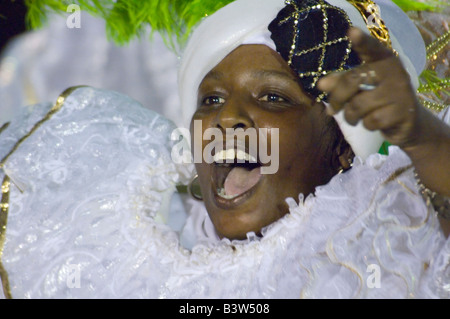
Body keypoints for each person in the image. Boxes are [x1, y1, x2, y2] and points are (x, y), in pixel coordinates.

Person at [0, 0, 448, 299]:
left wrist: (421, 134)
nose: (226, 118)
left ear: (343, 149)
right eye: (210, 99)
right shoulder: (117, 245)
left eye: (273, 97)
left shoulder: (394, 235)